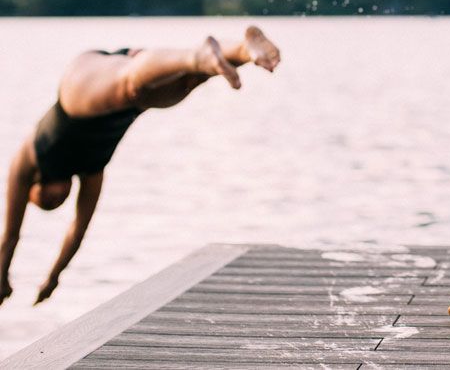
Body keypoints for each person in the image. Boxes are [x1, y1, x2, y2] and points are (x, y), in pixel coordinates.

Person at [0, 26, 280, 307]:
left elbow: (10, 236)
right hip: (132, 90)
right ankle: (246, 50)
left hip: (81, 84)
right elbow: (78, 229)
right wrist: (53, 278)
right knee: (187, 82)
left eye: (45, 202)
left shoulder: (30, 158)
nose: (55, 201)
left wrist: (1, 276)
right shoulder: (91, 171)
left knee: (131, 82)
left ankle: (200, 54)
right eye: (58, 203)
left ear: (34, 185)